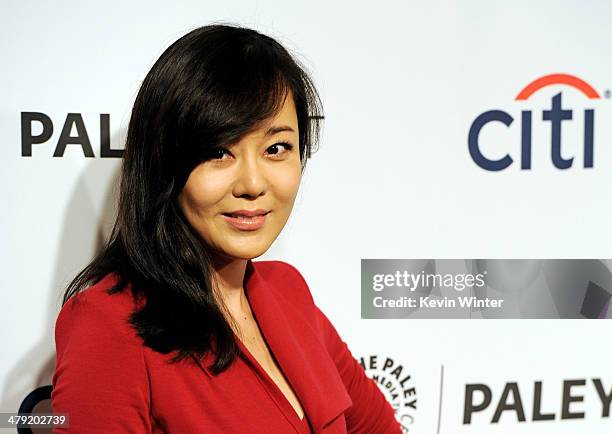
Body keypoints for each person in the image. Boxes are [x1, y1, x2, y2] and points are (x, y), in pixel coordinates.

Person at [51, 23, 401, 434]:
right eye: (219, 152)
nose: (253, 184)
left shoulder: (288, 292)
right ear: (165, 163)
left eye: (276, 148)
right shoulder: (109, 325)